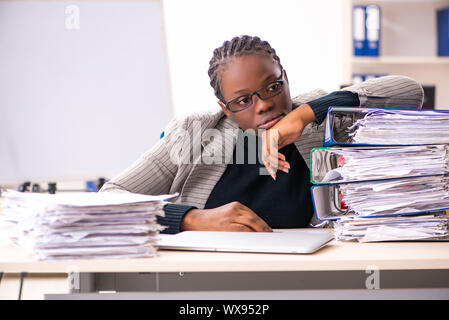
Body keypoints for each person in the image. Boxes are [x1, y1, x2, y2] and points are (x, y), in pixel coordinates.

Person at [100, 35, 424, 234]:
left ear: (286, 78)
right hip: (203, 278)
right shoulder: (195, 132)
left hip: (302, 277)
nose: (265, 105)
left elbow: (409, 91)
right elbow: (108, 200)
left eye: (273, 87)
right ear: (225, 108)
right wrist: (190, 218)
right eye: (243, 100)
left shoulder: (316, 118)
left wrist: (302, 115)